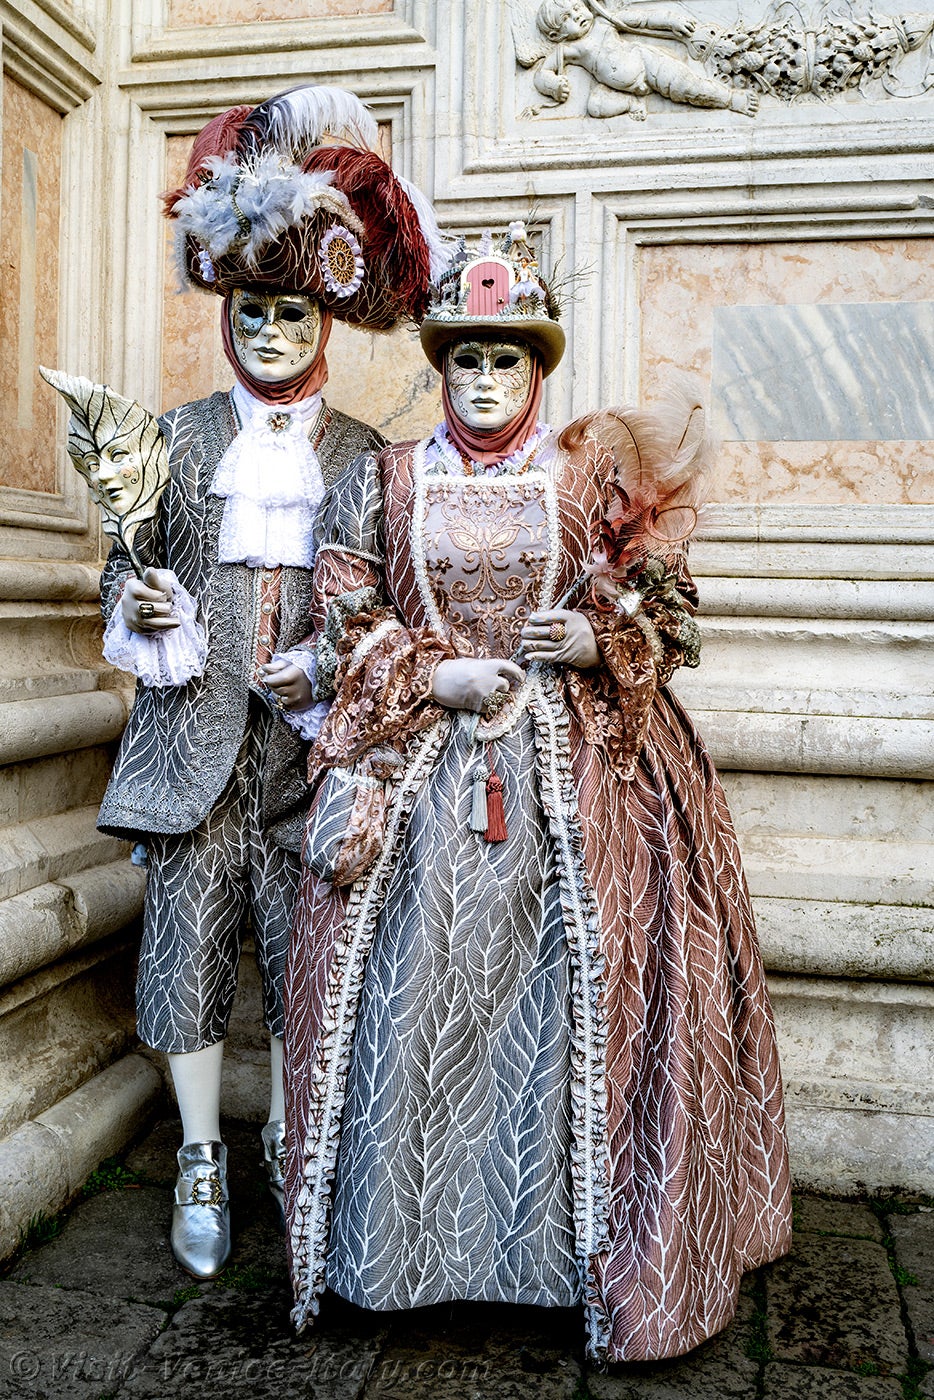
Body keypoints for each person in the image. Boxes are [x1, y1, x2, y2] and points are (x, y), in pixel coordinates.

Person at [282, 227, 792, 1362]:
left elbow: (668, 609)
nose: (483, 379)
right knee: (420, 1003)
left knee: (586, 997)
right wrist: (432, 675)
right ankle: (403, 1253)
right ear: (440, 363)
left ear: (536, 367)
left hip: (585, 774)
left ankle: (582, 1266)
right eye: (464, 358)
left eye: (504, 359)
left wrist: (598, 633)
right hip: (427, 777)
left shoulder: (590, 476)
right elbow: (347, 614)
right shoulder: (384, 478)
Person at [94, 83, 446, 1278]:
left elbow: (394, 607)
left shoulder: (367, 455)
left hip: (316, 755)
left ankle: (298, 1144)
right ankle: (200, 1155)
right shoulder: (175, 438)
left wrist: (337, 658)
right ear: (228, 311)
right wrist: (141, 604)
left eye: (295, 313)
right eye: (255, 311)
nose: (274, 333)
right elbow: (123, 567)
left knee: (311, 957)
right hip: (188, 744)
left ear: (324, 320)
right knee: (183, 948)